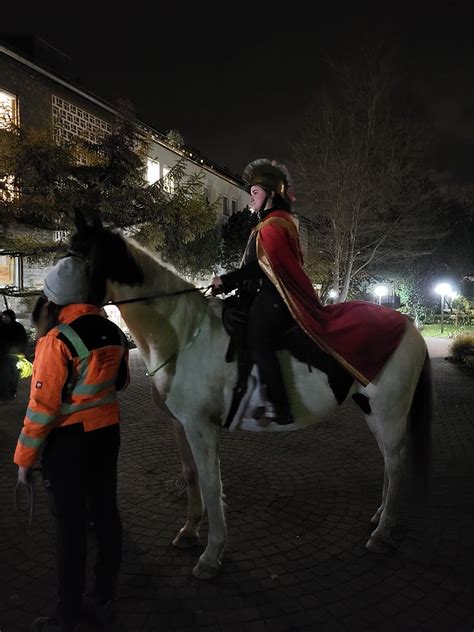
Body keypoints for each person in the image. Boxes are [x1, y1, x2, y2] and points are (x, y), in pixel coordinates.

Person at [211, 159, 407, 426]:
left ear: (271, 194)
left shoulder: (275, 225)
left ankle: (281, 406)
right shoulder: (269, 223)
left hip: (275, 298)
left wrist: (227, 279)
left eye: (255, 193)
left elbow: (261, 267)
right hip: (264, 294)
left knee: (258, 338)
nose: (251, 199)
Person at [13, 255, 130, 632]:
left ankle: (69, 613)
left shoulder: (57, 340)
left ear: (54, 300)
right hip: (106, 436)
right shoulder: (112, 331)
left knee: (71, 529)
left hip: (69, 445)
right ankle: (105, 596)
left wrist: (24, 459)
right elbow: (122, 383)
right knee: (106, 515)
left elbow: (42, 407)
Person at [1, 308, 29, 399]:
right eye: (3, 316)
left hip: (14, 355)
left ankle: (12, 393)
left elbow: (23, 340)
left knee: (12, 375)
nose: (4, 318)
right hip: (3, 355)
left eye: (6, 316)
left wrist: (21, 352)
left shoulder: (18, 327)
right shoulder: (2, 326)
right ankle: (3, 394)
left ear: (11, 317)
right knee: (3, 375)